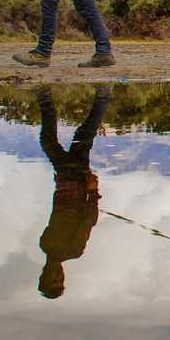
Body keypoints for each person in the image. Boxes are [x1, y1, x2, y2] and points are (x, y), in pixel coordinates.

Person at [36, 84, 111, 298]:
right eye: (59, 280)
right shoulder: (74, 250)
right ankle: (46, 97)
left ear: (42, 275)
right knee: (67, 138)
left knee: (80, 135)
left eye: (51, 279)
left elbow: (58, 211)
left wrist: (59, 185)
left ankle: (101, 96)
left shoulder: (45, 244)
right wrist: (93, 192)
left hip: (65, 179)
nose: (56, 275)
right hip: (77, 180)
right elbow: (88, 220)